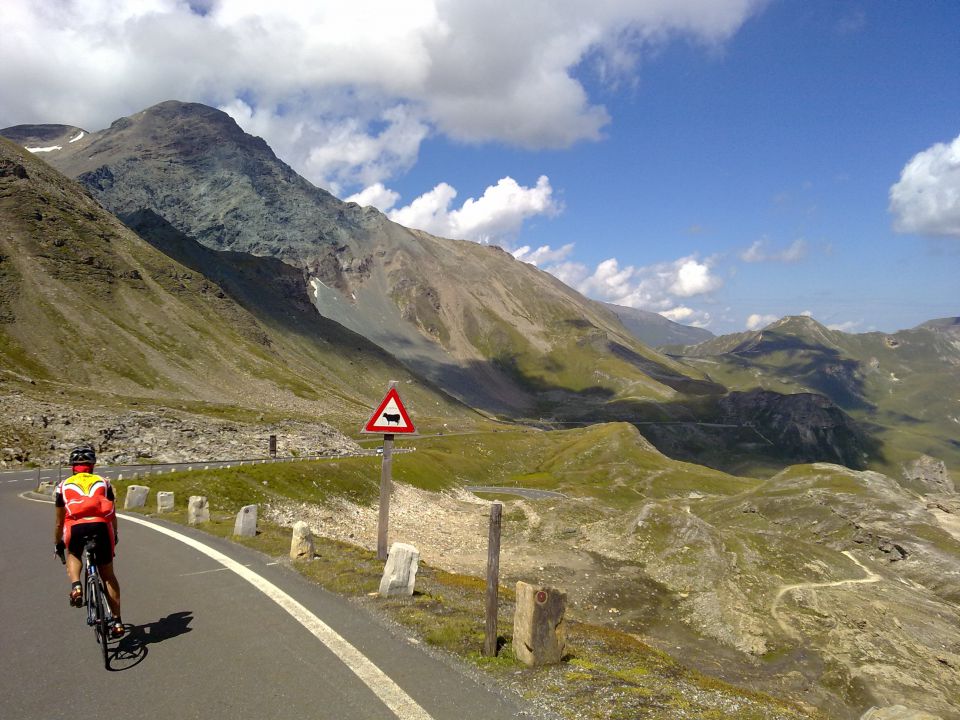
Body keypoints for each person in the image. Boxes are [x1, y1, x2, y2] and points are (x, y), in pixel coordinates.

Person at [54, 444, 124, 638]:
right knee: (108, 575)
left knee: (74, 553)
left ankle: (76, 585)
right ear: (92, 465)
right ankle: (117, 622)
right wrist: (115, 534)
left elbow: (60, 522)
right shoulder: (103, 482)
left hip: (75, 528)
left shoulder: (63, 486)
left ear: (72, 467)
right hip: (101, 527)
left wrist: (57, 542)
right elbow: (112, 514)